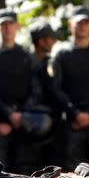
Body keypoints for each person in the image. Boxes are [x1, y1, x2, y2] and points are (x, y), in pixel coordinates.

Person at [0, 9, 42, 175]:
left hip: (24, 123)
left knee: (28, 174)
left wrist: (20, 116)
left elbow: (37, 90)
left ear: (17, 26)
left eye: (10, 24)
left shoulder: (27, 55)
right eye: (3, 24)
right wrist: (7, 116)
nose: (7, 28)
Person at [49, 5, 89, 170]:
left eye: (86, 22)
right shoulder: (61, 54)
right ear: (70, 24)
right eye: (78, 22)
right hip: (72, 123)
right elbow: (57, 88)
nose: (82, 25)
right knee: (74, 174)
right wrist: (76, 114)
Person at [29, 21, 62, 166]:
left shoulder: (49, 61)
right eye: (50, 38)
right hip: (32, 120)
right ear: (40, 40)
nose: (53, 42)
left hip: (51, 120)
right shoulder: (26, 61)